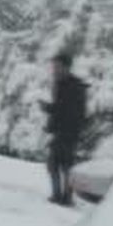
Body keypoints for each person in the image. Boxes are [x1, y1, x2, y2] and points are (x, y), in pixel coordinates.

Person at [41, 52, 88, 206]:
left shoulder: (73, 85)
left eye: (58, 66)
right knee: (58, 164)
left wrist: (49, 108)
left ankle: (63, 196)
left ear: (67, 67)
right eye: (54, 66)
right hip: (63, 130)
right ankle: (61, 195)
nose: (54, 69)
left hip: (68, 131)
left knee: (60, 164)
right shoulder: (61, 83)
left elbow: (67, 110)